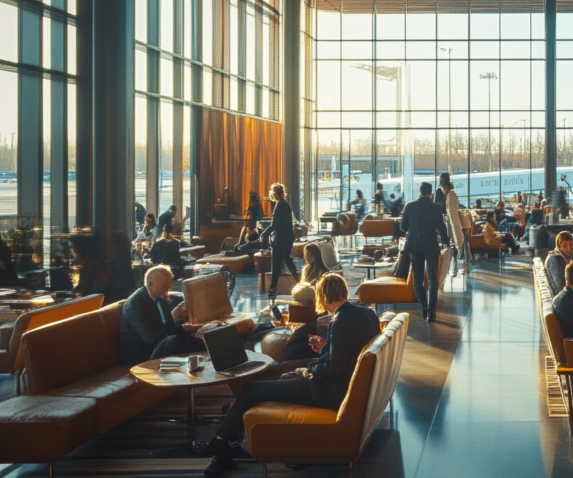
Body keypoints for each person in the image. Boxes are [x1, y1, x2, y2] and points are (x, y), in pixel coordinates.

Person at [203, 273, 379, 476]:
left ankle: (219, 442)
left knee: (251, 389)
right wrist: (324, 350)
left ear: (322, 296)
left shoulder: (340, 320)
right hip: (342, 386)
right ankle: (233, 441)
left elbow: (333, 370)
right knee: (280, 381)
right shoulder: (367, 315)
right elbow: (348, 356)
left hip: (328, 391)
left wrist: (305, 371)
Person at [119, 265, 207, 365]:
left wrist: (188, 328)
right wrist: (179, 328)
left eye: (168, 286)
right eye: (164, 286)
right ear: (150, 284)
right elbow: (151, 338)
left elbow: (169, 328)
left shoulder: (160, 297)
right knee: (173, 341)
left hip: (157, 345)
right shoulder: (135, 303)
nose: (167, 290)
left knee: (199, 341)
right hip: (140, 355)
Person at [401, 182, 450, 321]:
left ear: (420, 191)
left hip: (414, 246)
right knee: (433, 279)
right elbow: (442, 228)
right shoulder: (436, 208)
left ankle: (424, 306)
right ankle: (432, 311)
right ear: (431, 193)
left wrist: (414, 229)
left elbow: (403, 227)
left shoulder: (409, 206)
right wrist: (446, 242)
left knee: (418, 281)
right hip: (431, 246)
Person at [261, 183, 298, 299]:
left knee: (276, 263)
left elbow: (275, 225)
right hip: (288, 237)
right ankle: (300, 281)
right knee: (288, 259)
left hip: (281, 238)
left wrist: (263, 234)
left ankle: (273, 287)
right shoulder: (285, 204)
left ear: (276, 193)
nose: (271, 194)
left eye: (272, 192)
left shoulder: (280, 205)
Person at [439, 174, 464, 276]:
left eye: (441, 180)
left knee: (452, 243)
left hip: (449, 222)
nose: (440, 182)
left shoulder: (450, 194)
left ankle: (454, 266)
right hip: (444, 221)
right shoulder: (441, 193)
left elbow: (451, 210)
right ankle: (447, 267)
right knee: (446, 243)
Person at [106, 232, 137, 303]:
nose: (108, 248)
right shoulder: (125, 264)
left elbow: (117, 291)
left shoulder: (118, 266)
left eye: (111, 244)